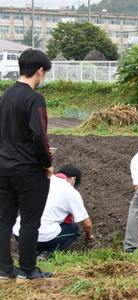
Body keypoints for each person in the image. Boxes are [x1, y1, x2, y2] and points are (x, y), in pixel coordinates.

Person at [0, 49, 53, 283]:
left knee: (4, 220)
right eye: (45, 73)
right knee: (30, 221)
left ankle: (4, 269)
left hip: (4, 168)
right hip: (29, 170)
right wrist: (47, 164)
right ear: (40, 71)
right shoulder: (34, 99)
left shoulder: (5, 95)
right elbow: (39, 136)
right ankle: (28, 270)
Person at [12, 164, 95, 261]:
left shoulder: (41, 181)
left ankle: (33, 250)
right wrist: (88, 236)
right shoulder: (71, 191)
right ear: (74, 179)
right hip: (43, 238)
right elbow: (87, 224)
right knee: (74, 230)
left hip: (19, 234)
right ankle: (49, 253)